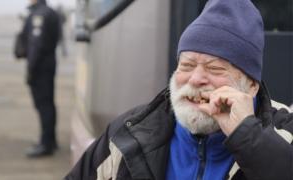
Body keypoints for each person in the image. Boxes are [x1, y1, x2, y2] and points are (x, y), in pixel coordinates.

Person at [64, 0, 293, 179]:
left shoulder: (285, 131)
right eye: (187, 65)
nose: (195, 79)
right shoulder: (129, 132)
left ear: (251, 85)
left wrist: (247, 135)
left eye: (214, 69)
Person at [21, 0, 60, 158]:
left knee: (43, 105)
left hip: (40, 66)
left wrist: (31, 69)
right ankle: (50, 140)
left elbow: (37, 44)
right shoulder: (50, 12)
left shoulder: (40, 14)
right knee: (48, 103)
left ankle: (46, 144)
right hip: (48, 63)